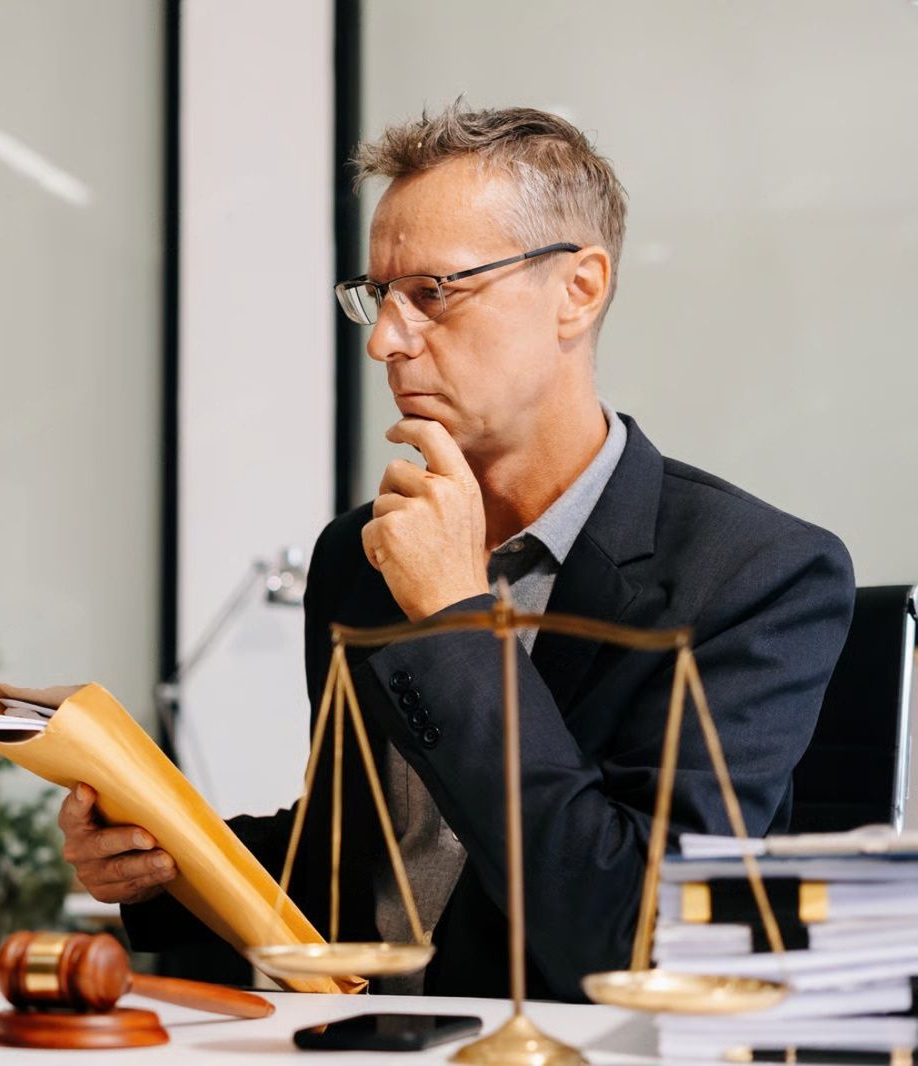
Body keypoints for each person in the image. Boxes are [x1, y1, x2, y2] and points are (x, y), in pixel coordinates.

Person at [57, 102, 856, 1002]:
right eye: (378, 295)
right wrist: (164, 860)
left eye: (433, 294)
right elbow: (371, 856)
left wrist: (456, 622)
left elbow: (638, 932)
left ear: (578, 290)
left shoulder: (758, 575)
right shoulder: (359, 556)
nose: (384, 340)